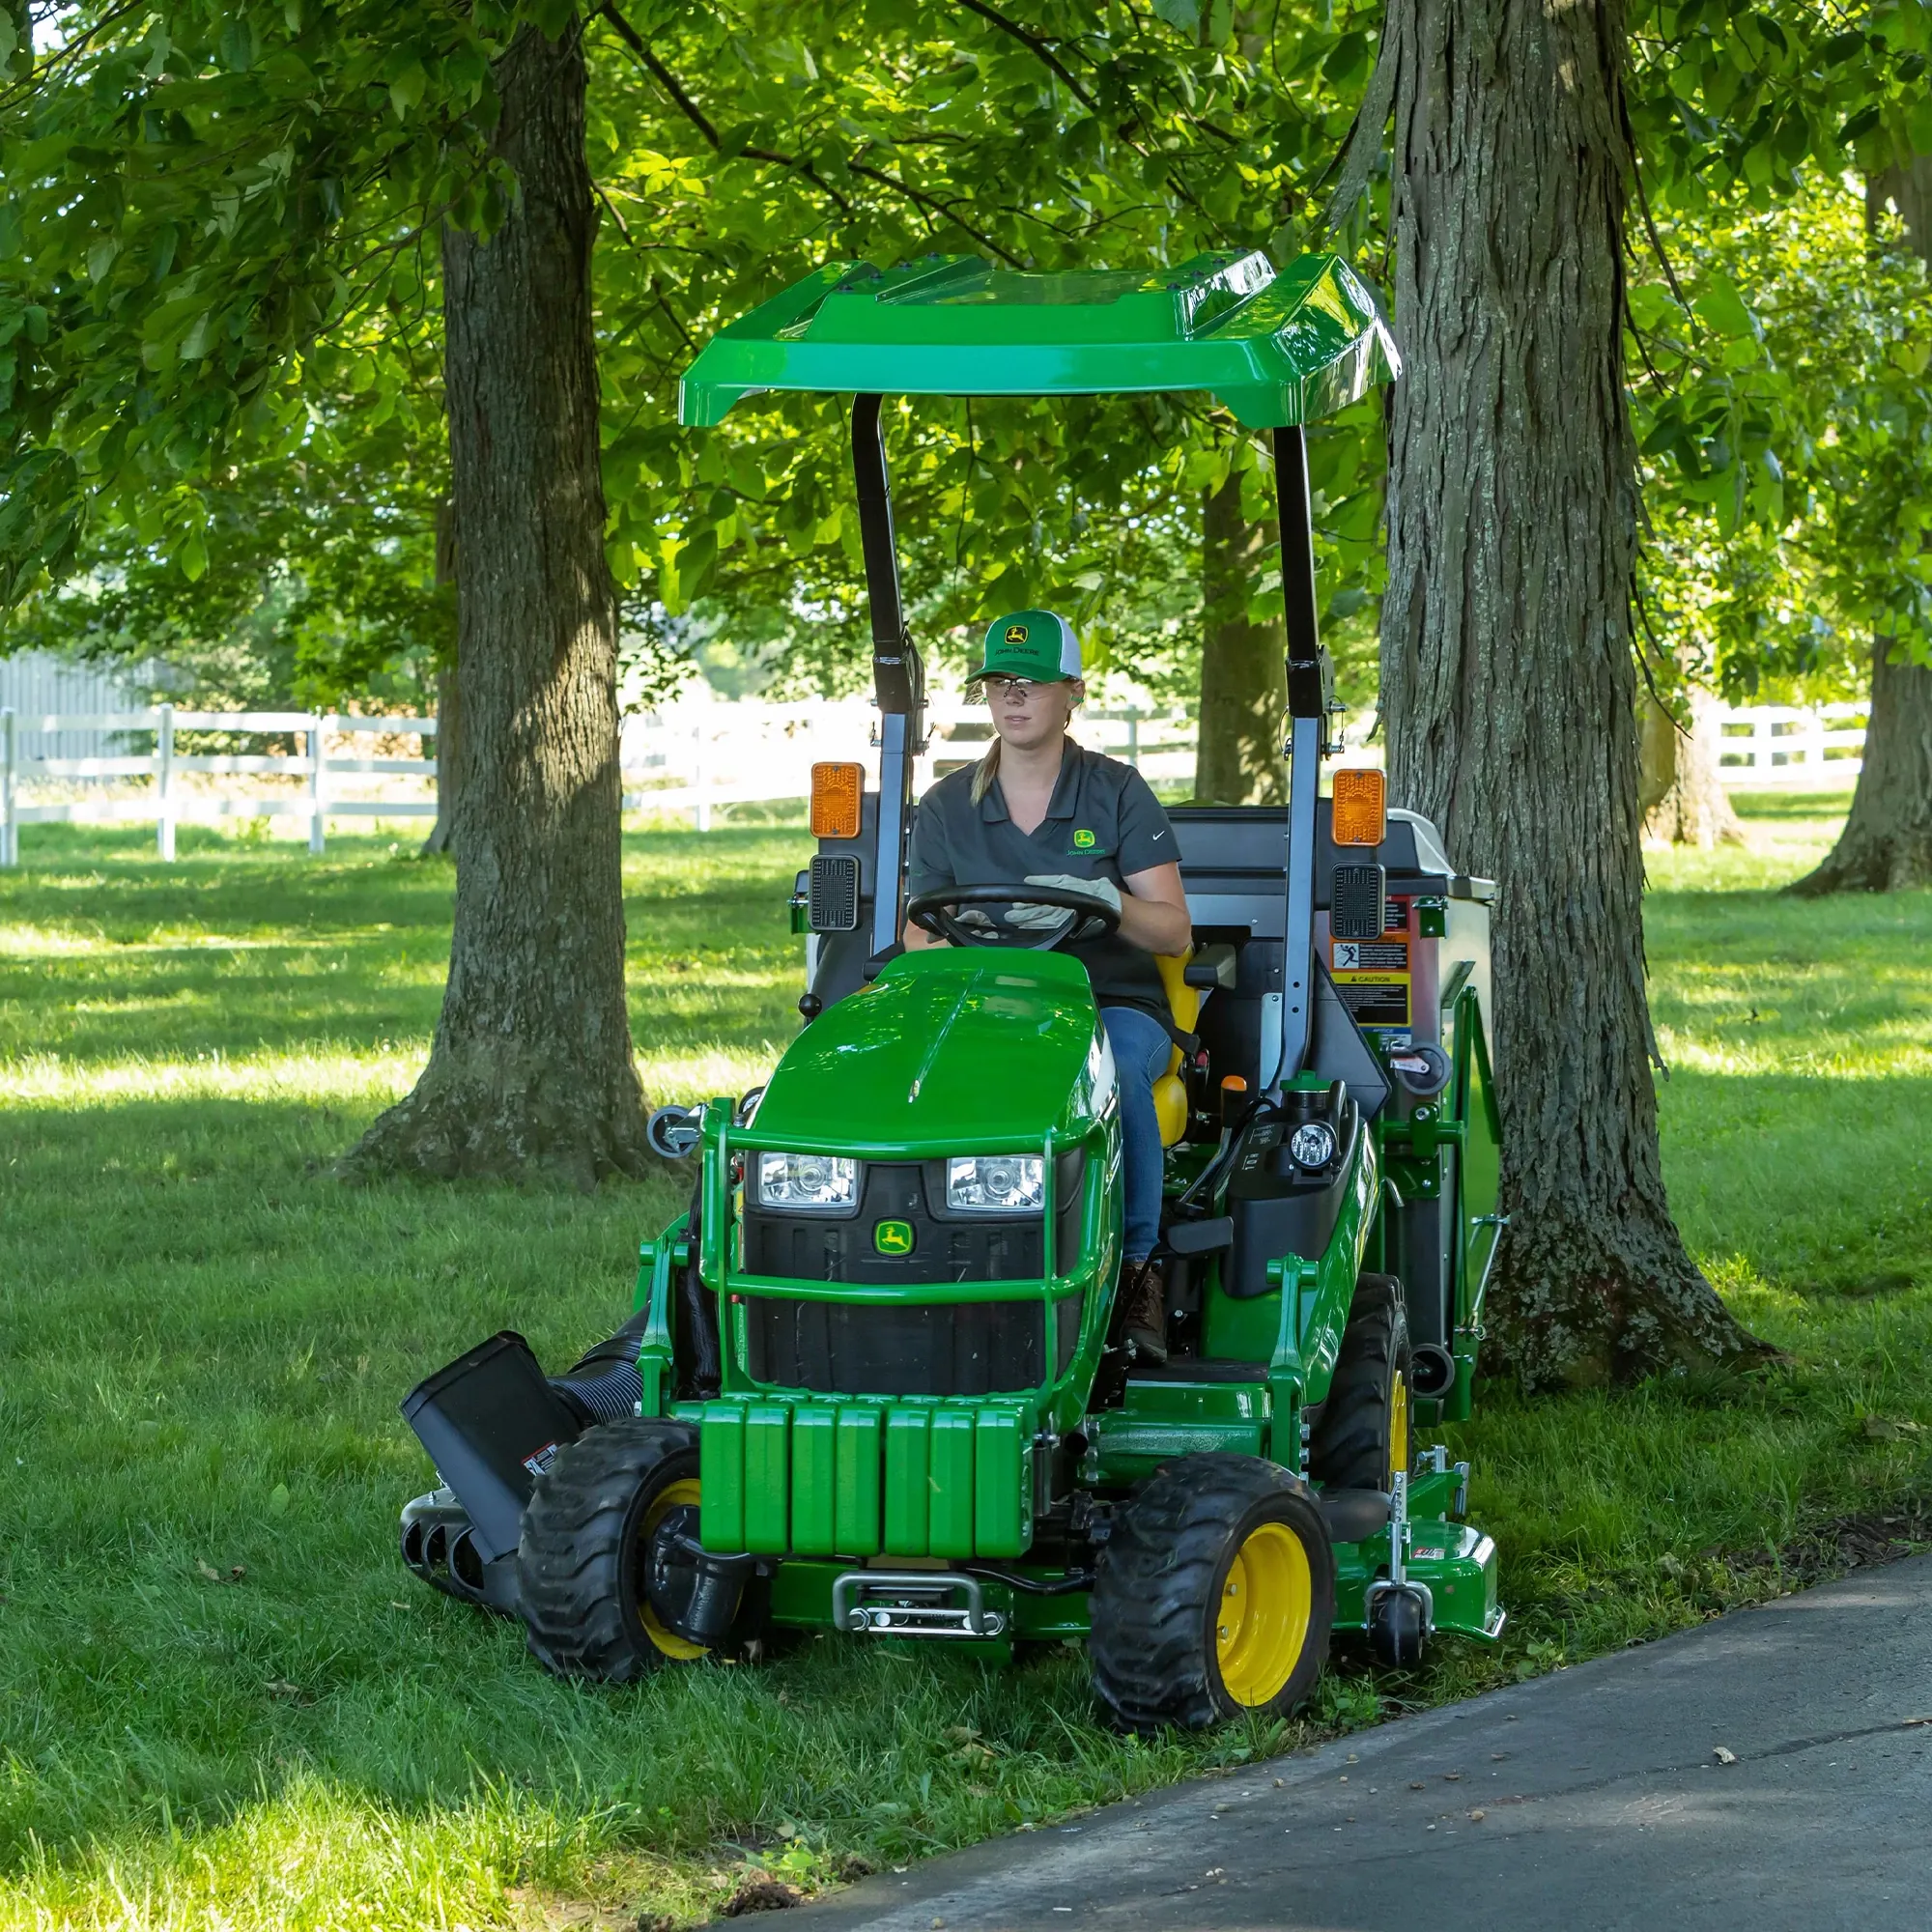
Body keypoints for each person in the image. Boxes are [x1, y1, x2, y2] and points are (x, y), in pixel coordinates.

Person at [904, 609, 1191, 1363]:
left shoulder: (1118, 793)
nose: (1013, 697)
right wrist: (969, 925)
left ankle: (1137, 1274)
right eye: (999, 683)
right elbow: (916, 936)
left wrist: (1103, 901)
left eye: (1031, 683)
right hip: (990, 1004)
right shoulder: (944, 807)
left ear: (1074, 693)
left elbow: (1174, 932)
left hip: (1112, 1002)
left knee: (1113, 1067)